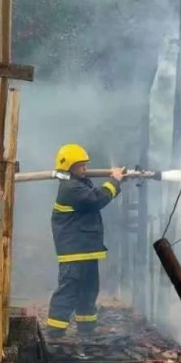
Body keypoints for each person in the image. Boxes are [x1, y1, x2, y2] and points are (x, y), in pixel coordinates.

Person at [46, 143, 125, 338]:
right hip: (74, 251)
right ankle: (55, 332)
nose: (85, 168)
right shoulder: (70, 188)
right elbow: (96, 199)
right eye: (81, 165)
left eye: (85, 164)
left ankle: (86, 329)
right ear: (69, 166)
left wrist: (116, 181)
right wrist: (115, 181)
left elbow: (94, 194)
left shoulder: (80, 183)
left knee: (89, 290)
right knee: (68, 290)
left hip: (86, 249)